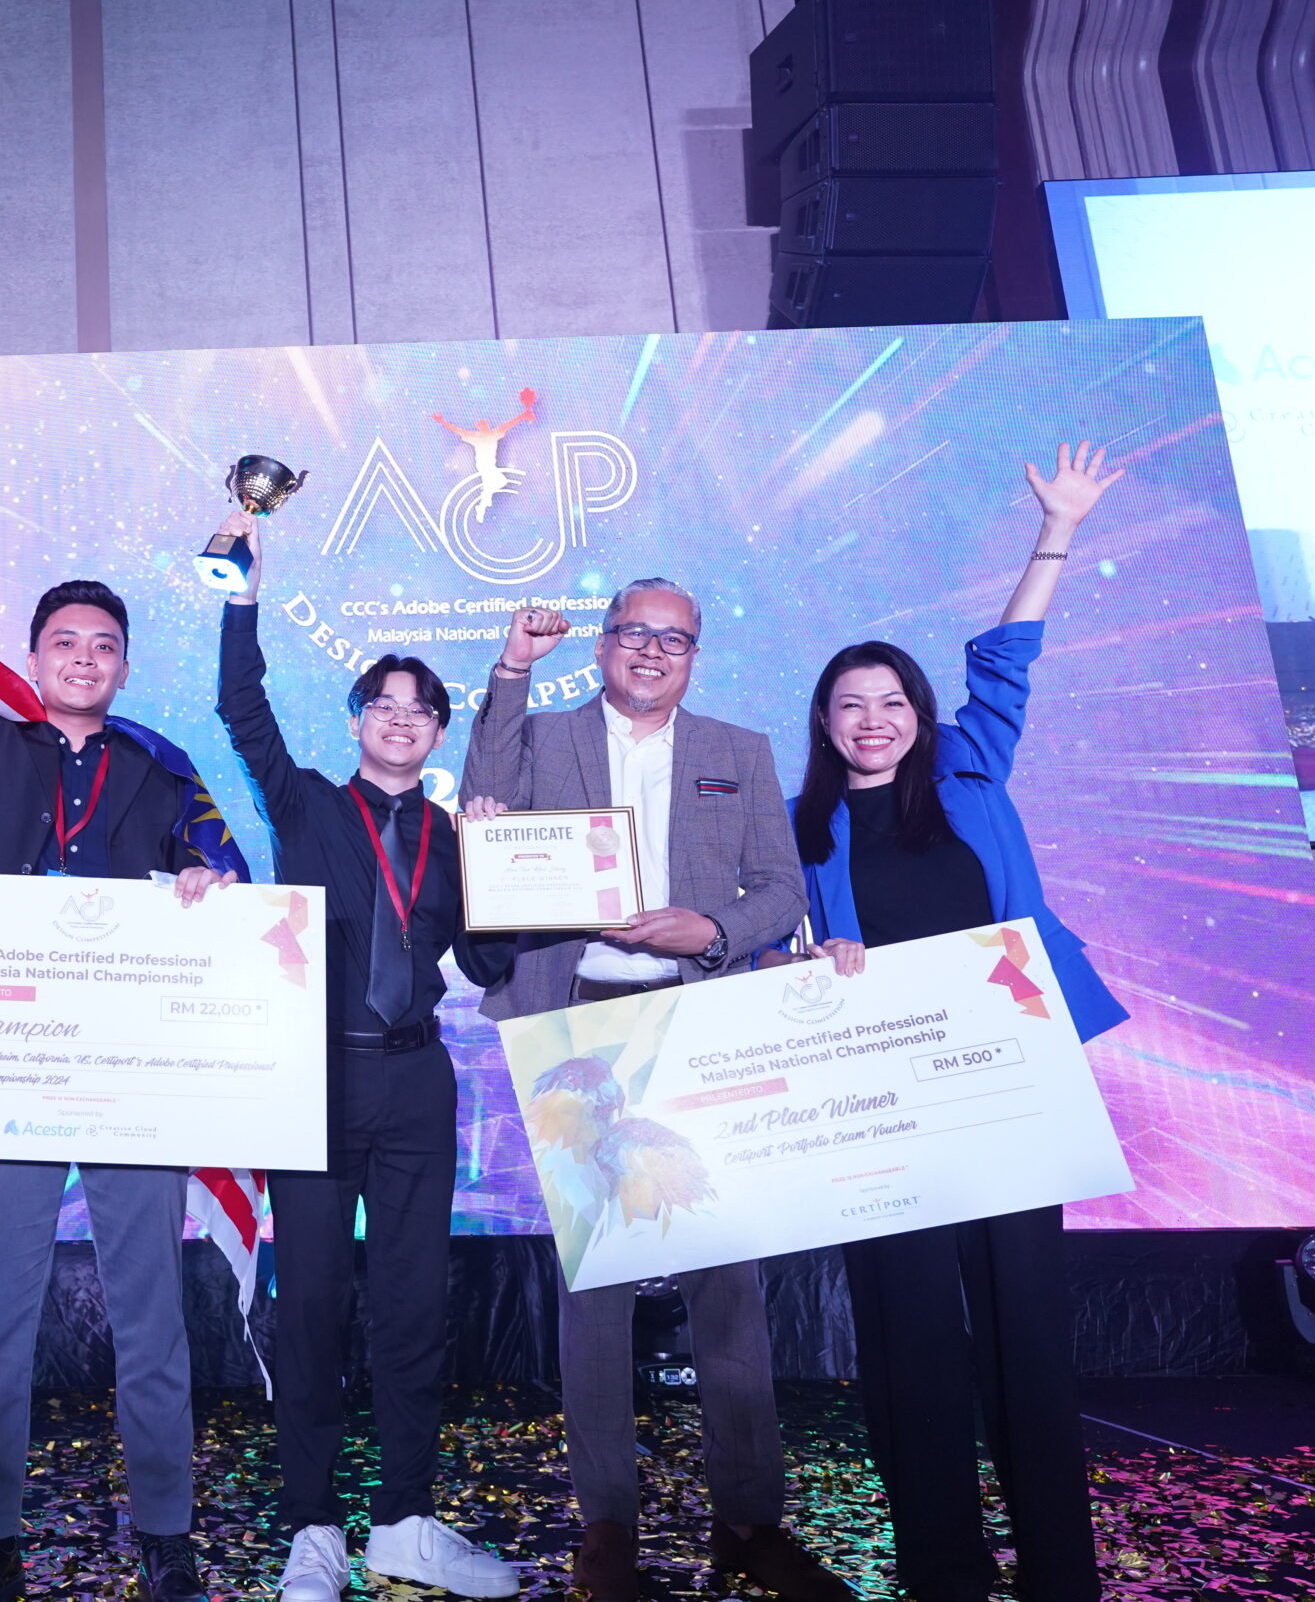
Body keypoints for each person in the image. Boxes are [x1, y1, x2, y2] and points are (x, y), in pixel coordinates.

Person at [0, 568, 237, 1602]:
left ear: (121, 663)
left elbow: (220, 865)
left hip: (126, 1071)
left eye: (103, 644)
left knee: (150, 1316)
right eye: (63, 640)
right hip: (2, 1063)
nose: (82, 657)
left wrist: (206, 880)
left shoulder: (162, 768)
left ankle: (165, 1534)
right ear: (34, 660)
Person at [777, 443, 1125, 1602]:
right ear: (823, 723)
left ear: (917, 717)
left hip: (1011, 1087)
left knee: (1027, 1333)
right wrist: (809, 956)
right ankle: (941, 1570)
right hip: (889, 1108)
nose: (871, 722)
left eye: (891, 703)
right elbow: (773, 942)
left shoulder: (971, 775)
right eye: (849, 706)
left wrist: (1055, 532)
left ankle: (1059, 1576)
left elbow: (1008, 659)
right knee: (908, 1340)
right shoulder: (801, 828)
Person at [459, 581, 849, 1602]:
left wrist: (710, 933)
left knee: (727, 1280)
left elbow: (781, 890)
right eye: (633, 632)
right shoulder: (541, 736)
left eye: (673, 639)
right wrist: (509, 671)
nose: (651, 651)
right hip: (572, 1016)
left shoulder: (739, 750)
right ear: (603, 644)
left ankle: (750, 1524)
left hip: (697, 1020)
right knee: (596, 1290)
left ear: (694, 655)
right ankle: (607, 1528)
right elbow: (483, 800)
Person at [209, 508, 522, 1601]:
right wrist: (240, 594)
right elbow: (238, 709)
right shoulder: (304, 805)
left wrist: (499, 867)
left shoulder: (451, 834)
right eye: (380, 705)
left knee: (411, 1306)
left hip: (413, 1074)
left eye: (419, 710)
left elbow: (486, 964)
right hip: (313, 1076)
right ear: (355, 723)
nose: (399, 720)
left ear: (437, 732)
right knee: (312, 1309)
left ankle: (403, 1520)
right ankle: (312, 1529)